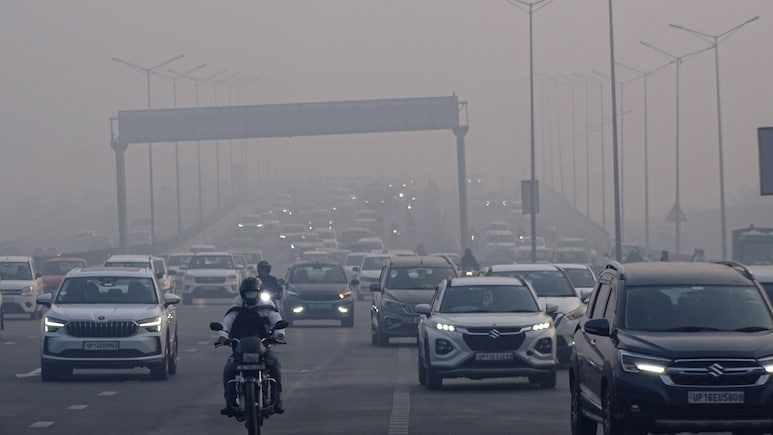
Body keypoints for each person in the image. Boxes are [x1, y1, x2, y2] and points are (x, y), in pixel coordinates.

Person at [217, 277, 286, 417]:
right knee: (229, 369)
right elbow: (227, 322)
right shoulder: (236, 306)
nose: (250, 296)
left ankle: (277, 398)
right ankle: (229, 402)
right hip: (240, 347)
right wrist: (223, 335)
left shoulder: (267, 305)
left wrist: (279, 334)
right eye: (248, 293)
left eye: (253, 293)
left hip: (263, 346)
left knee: (274, 364)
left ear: (259, 292)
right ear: (242, 293)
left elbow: (276, 319)